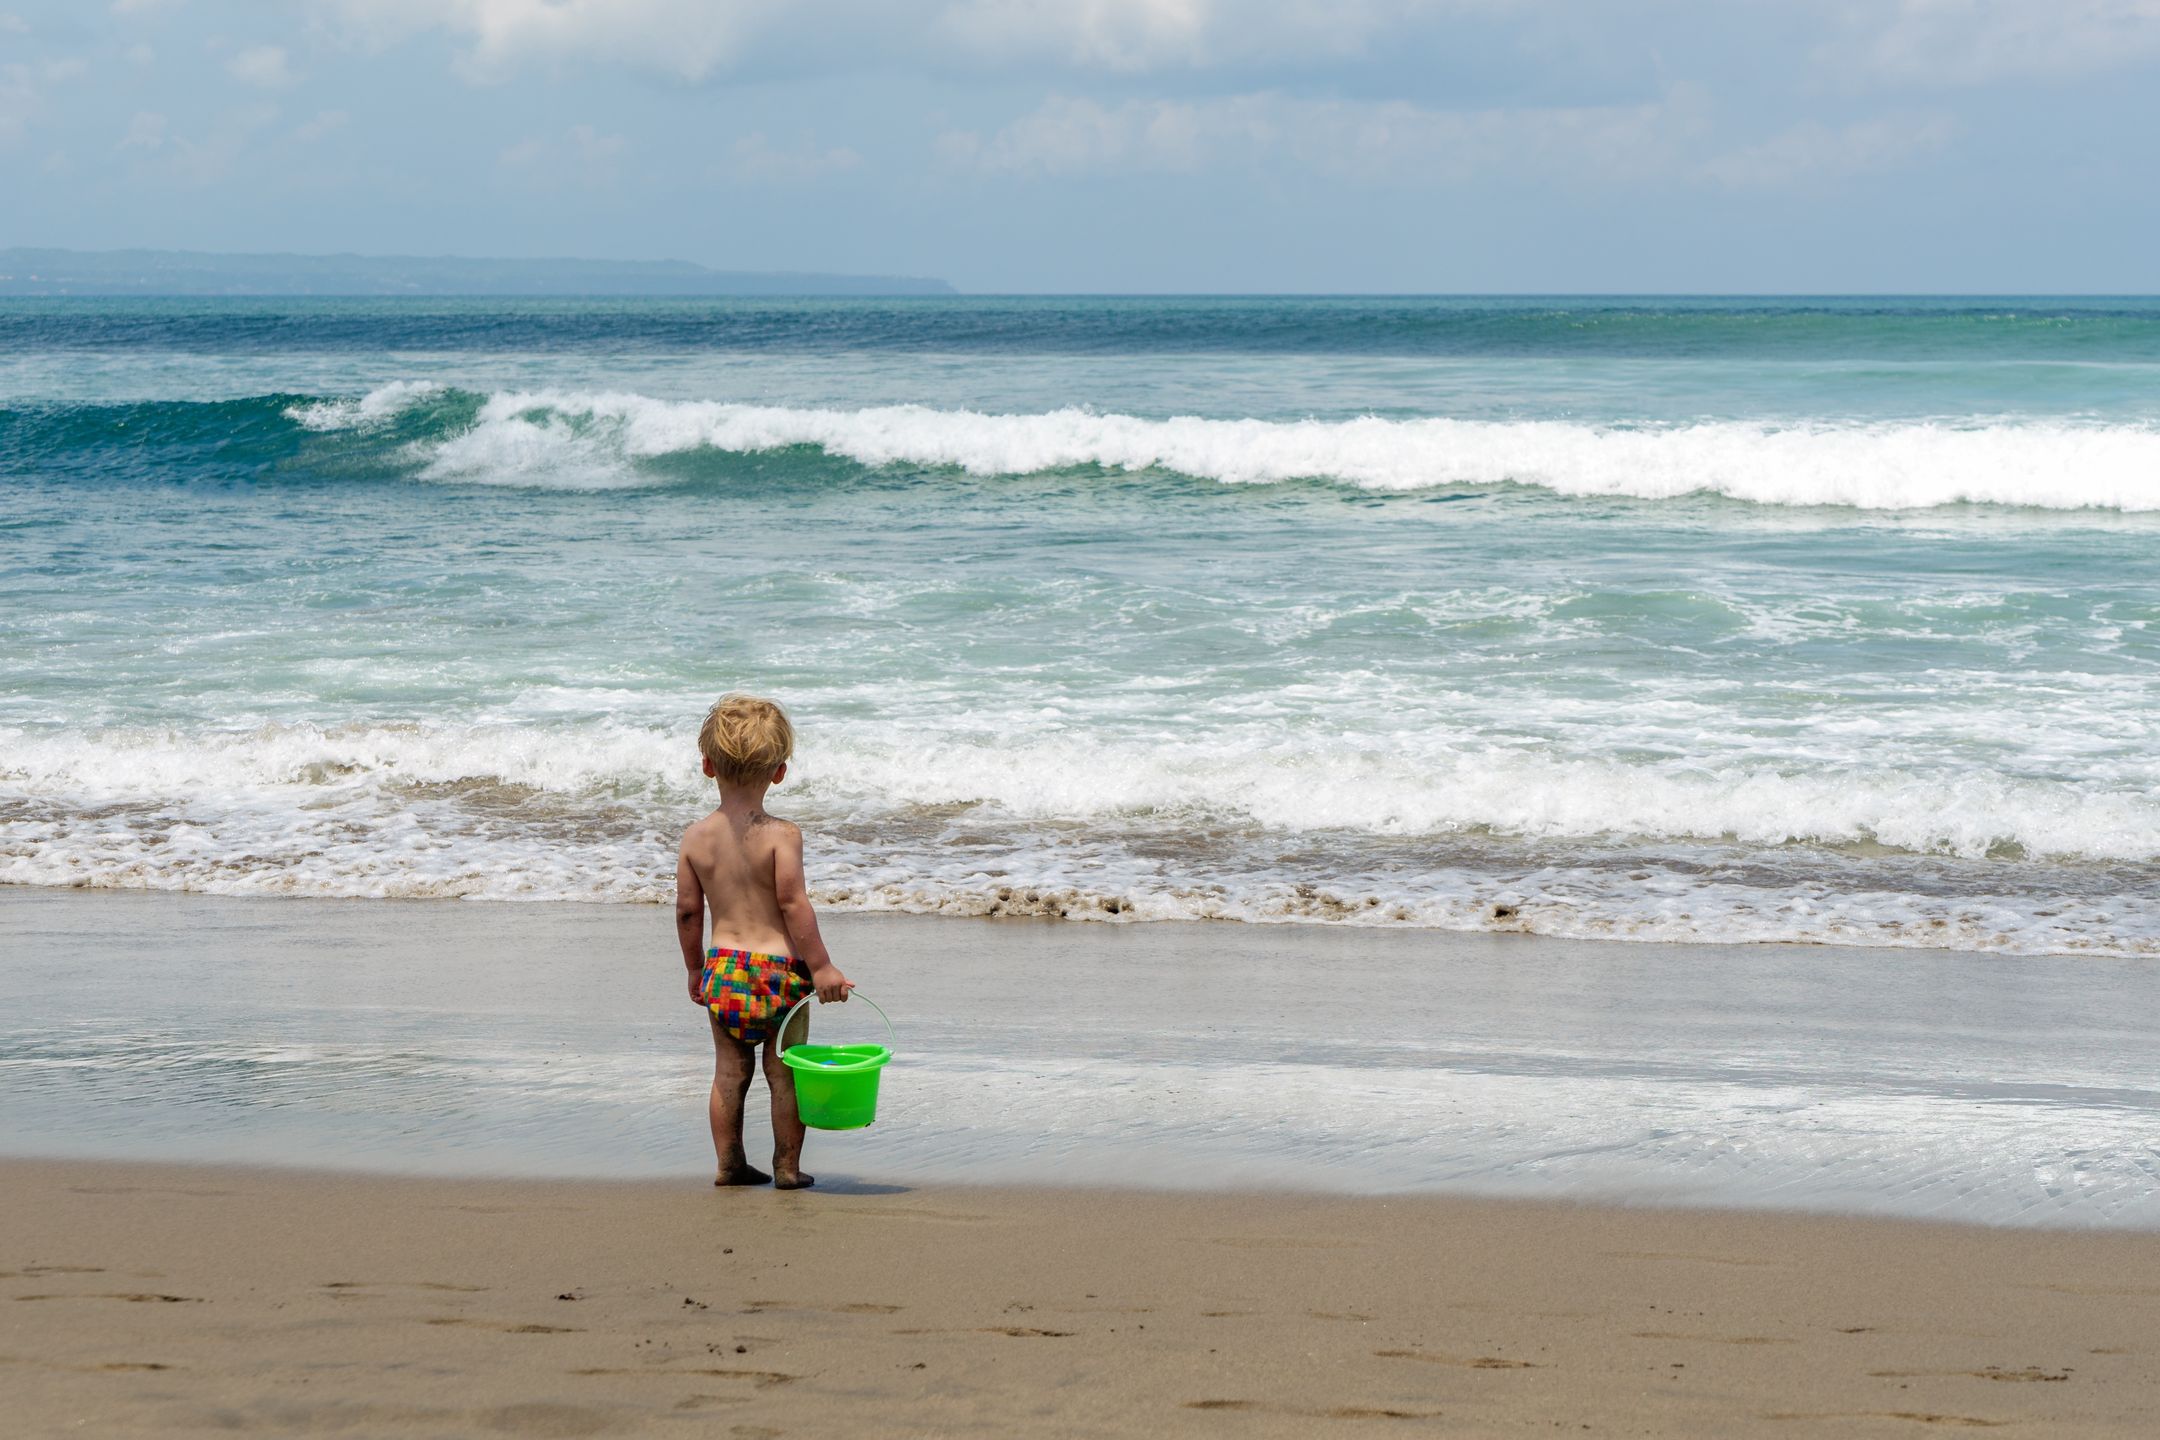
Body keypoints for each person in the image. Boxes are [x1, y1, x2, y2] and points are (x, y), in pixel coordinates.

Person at [675, 694, 852, 1189]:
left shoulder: (695, 837)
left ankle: (729, 1164)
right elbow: (794, 905)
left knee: (729, 1075)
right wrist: (822, 968)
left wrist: (695, 969)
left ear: (707, 765)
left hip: (725, 971)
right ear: (779, 772)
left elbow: (688, 912)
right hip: (781, 976)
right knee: (784, 1075)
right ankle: (787, 1168)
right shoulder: (782, 835)